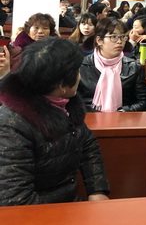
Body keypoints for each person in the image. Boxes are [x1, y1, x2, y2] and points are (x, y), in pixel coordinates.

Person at [0, 37, 110, 205]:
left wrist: (97, 190)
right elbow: (16, 199)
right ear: (61, 86)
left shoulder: (66, 105)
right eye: (77, 72)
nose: (79, 77)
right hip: (37, 213)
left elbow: (88, 145)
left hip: (68, 205)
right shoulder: (11, 126)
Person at [77, 18, 146, 112]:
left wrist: (124, 111)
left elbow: (143, 101)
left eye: (122, 37)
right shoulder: (81, 66)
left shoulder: (133, 66)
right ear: (99, 40)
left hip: (123, 118)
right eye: (113, 37)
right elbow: (73, 100)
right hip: (89, 118)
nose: (119, 41)